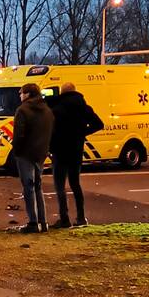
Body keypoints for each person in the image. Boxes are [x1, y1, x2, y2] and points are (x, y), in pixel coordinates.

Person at [47, 83, 104, 228]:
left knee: (59, 186)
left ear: (62, 92)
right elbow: (99, 124)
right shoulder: (84, 107)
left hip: (60, 150)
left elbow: (51, 131)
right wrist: (82, 133)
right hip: (76, 150)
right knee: (75, 184)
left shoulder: (57, 109)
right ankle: (81, 217)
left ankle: (64, 218)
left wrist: (50, 148)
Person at [12, 83, 54, 233]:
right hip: (40, 153)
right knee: (38, 187)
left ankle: (33, 222)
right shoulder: (47, 110)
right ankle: (43, 222)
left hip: (25, 154)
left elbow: (19, 134)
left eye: (21, 92)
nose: (20, 95)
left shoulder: (22, 110)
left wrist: (16, 150)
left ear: (28, 94)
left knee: (28, 187)